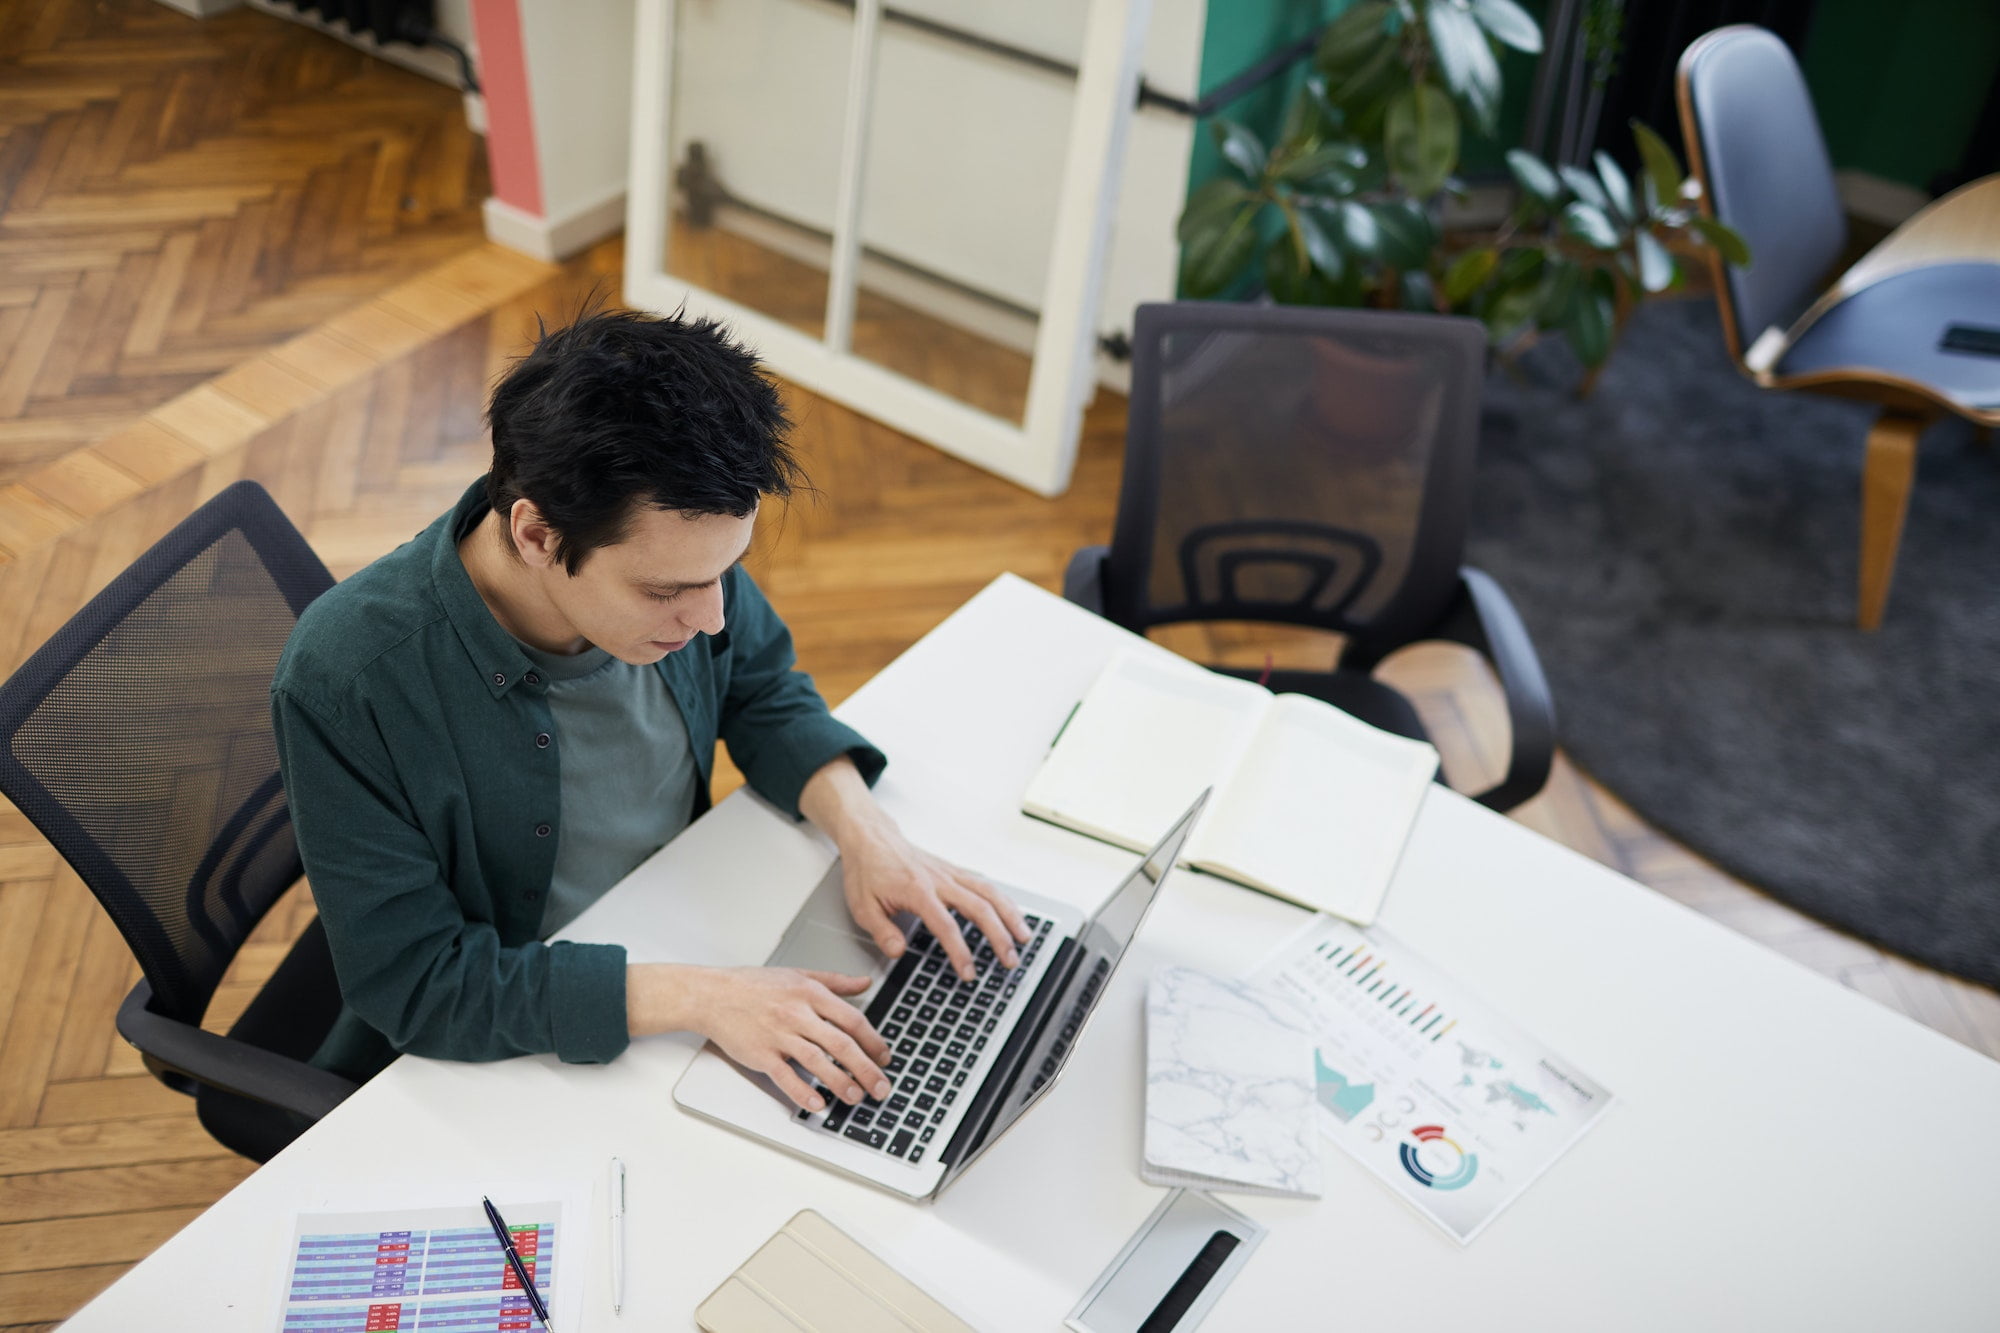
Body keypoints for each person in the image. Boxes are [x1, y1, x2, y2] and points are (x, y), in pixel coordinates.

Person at [272, 308, 1028, 1116]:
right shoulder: (347, 679)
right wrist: (705, 998)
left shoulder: (681, 549)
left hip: (682, 918)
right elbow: (419, 984)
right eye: (666, 591)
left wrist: (869, 835)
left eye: (727, 572)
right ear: (534, 534)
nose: (711, 619)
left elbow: (762, 685)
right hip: (532, 1035)